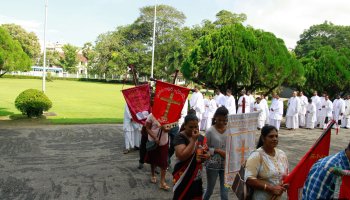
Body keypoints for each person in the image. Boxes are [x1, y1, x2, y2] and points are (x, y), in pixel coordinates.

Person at [245, 125, 289, 200]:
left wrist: (287, 183)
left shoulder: (282, 154)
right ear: (263, 138)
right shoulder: (256, 155)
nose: (275, 139)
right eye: (271, 136)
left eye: (276, 136)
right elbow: (249, 180)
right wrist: (270, 188)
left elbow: (287, 175)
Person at [172, 114, 209, 200]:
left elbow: (207, 152)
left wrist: (206, 156)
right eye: (190, 127)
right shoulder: (179, 137)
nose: (194, 129)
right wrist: (193, 140)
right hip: (182, 173)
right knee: (182, 195)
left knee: (195, 196)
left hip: (196, 175)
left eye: (196, 126)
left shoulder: (201, 138)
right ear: (185, 125)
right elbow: (181, 156)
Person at [204, 107, 229, 200]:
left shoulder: (230, 130)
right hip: (212, 164)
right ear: (215, 118)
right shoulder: (210, 131)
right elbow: (205, 148)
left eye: (224, 120)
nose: (222, 122)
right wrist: (217, 150)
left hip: (226, 165)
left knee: (225, 193)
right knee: (210, 190)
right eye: (219, 120)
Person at [144, 113, 171, 191]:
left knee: (164, 162)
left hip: (164, 142)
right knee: (153, 160)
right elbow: (147, 128)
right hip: (153, 142)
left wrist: (165, 128)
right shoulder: (151, 115)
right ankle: (153, 175)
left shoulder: (168, 116)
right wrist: (155, 138)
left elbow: (169, 129)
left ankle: (162, 182)